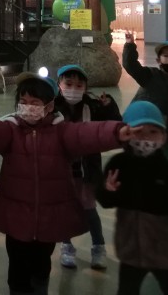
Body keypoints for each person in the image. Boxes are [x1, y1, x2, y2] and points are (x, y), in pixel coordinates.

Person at [0, 72, 132, 295]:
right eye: (23, 102)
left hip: (49, 218)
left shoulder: (61, 132)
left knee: (42, 265)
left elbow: (87, 133)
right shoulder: (11, 130)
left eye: (35, 103)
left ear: (49, 106)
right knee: (17, 268)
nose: (28, 107)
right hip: (17, 217)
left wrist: (116, 132)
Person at [96, 101, 168, 295]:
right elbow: (105, 201)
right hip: (131, 251)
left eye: (153, 132)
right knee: (127, 290)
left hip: (166, 252)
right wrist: (108, 190)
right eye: (139, 131)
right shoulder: (118, 165)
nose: (145, 138)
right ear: (126, 133)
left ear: (163, 137)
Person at [54, 64, 122, 271]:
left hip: (87, 169)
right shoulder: (53, 108)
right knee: (65, 209)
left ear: (85, 87)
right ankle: (67, 246)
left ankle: (98, 247)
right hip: (62, 170)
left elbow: (113, 126)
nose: (73, 89)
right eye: (68, 84)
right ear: (59, 84)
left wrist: (109, 107)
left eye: (79, 85)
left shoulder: (92, 107)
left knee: (89, 209)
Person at [123, 34, 168, 166]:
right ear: (158, 60)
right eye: (166, 56)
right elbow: (130, 65)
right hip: (144, 133)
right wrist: (129, 45)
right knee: (140, 165)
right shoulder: (150, 76)